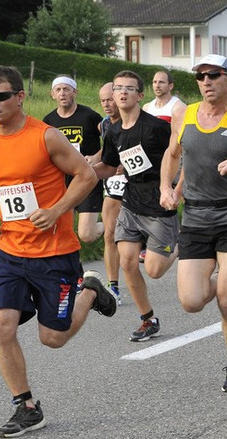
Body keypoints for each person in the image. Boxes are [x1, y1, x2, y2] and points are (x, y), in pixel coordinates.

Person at [0, 65, 117, 438]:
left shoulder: (46, 137)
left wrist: (57, 210)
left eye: (0, 96)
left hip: (55, 251)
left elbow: (87, 176)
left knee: (53, 338)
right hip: (9, 249)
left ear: (19, 97)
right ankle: (26, 407)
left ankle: (89, 291)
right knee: (1, 324)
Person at [160, 54, 227, 392]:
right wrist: (166, 186)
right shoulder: (185, 114)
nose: (206, 81)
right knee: (191, 302)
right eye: (200, 76)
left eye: (214, 75)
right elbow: (172, 153)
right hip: (194, 216)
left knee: (224, 299)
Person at [92, 70, 178, 342]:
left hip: (160, 205)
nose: (123, 92)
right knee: (127, 262)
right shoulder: (113, 131)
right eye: (118, 88)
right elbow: (107, 165)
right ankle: (148, 319)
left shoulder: (157, 127)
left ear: (141, 95)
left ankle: (183, 242)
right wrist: (81, 172)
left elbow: (180, 155)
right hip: (130, 204)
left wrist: (177, 189)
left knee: (154, 270)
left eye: (130, 88)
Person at [43, 75, 105, 243]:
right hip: (62, 181)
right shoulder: (49, 121)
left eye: (66, 89)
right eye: (58, 90)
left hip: (87, 178)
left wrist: (97, 156)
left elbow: (112, 138)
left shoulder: (89, 116)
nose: (62, 93)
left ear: (74, 92)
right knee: (65, 233)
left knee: (87, 235)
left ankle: (113, 223)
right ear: (52, 94)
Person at [96, 82, 125, 305]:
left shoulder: (134, 121)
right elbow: (107, 151)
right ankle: (113, 285)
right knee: (110, 233)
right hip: (114, 181)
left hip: (139, 183)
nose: (107, 104)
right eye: (103, 100)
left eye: (110, 99)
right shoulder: (104, 125)